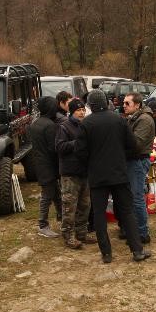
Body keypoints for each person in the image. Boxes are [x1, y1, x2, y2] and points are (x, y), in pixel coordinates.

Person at [77, 90, 151, 263]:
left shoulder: (86, 123)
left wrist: (91, 163)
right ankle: (137, 250)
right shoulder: (119, 120)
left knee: (99, 214)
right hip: (119, 172)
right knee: (127, 211)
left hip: (97, 175)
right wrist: (119, 156)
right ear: (106, 102)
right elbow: (133, 145)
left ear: (90, 105)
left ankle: (106, 253)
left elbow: (80, 151)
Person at [54, 98, 93, 249]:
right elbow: (59, 147)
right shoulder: (64, 127)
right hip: (70, 174)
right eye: (78, 110)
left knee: (85, 205)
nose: (82, 112)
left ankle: (81, 233)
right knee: (69, 206)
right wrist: (77, 143)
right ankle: (68, 235)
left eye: (83, 110)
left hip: (85, 172)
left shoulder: (85, 125)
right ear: (71, 112)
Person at [123, 92, 156, 245]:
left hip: (138, 161)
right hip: (133, 160)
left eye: (127, 103)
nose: (124, 106)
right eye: (123, 103)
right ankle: (134, 230)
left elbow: (136, 143)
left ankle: (142, 233)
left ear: (137, 105)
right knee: (133, 197)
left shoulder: (144, 119)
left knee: (137, 198)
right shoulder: (135, 117)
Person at [28, 96, 62, 238]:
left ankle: (62, 217)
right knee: (47, 195)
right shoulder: (49, 125)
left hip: (39, 163)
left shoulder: (35, 123)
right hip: (48, 165)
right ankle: (43, 225)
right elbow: (53, 148)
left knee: (56, 193)